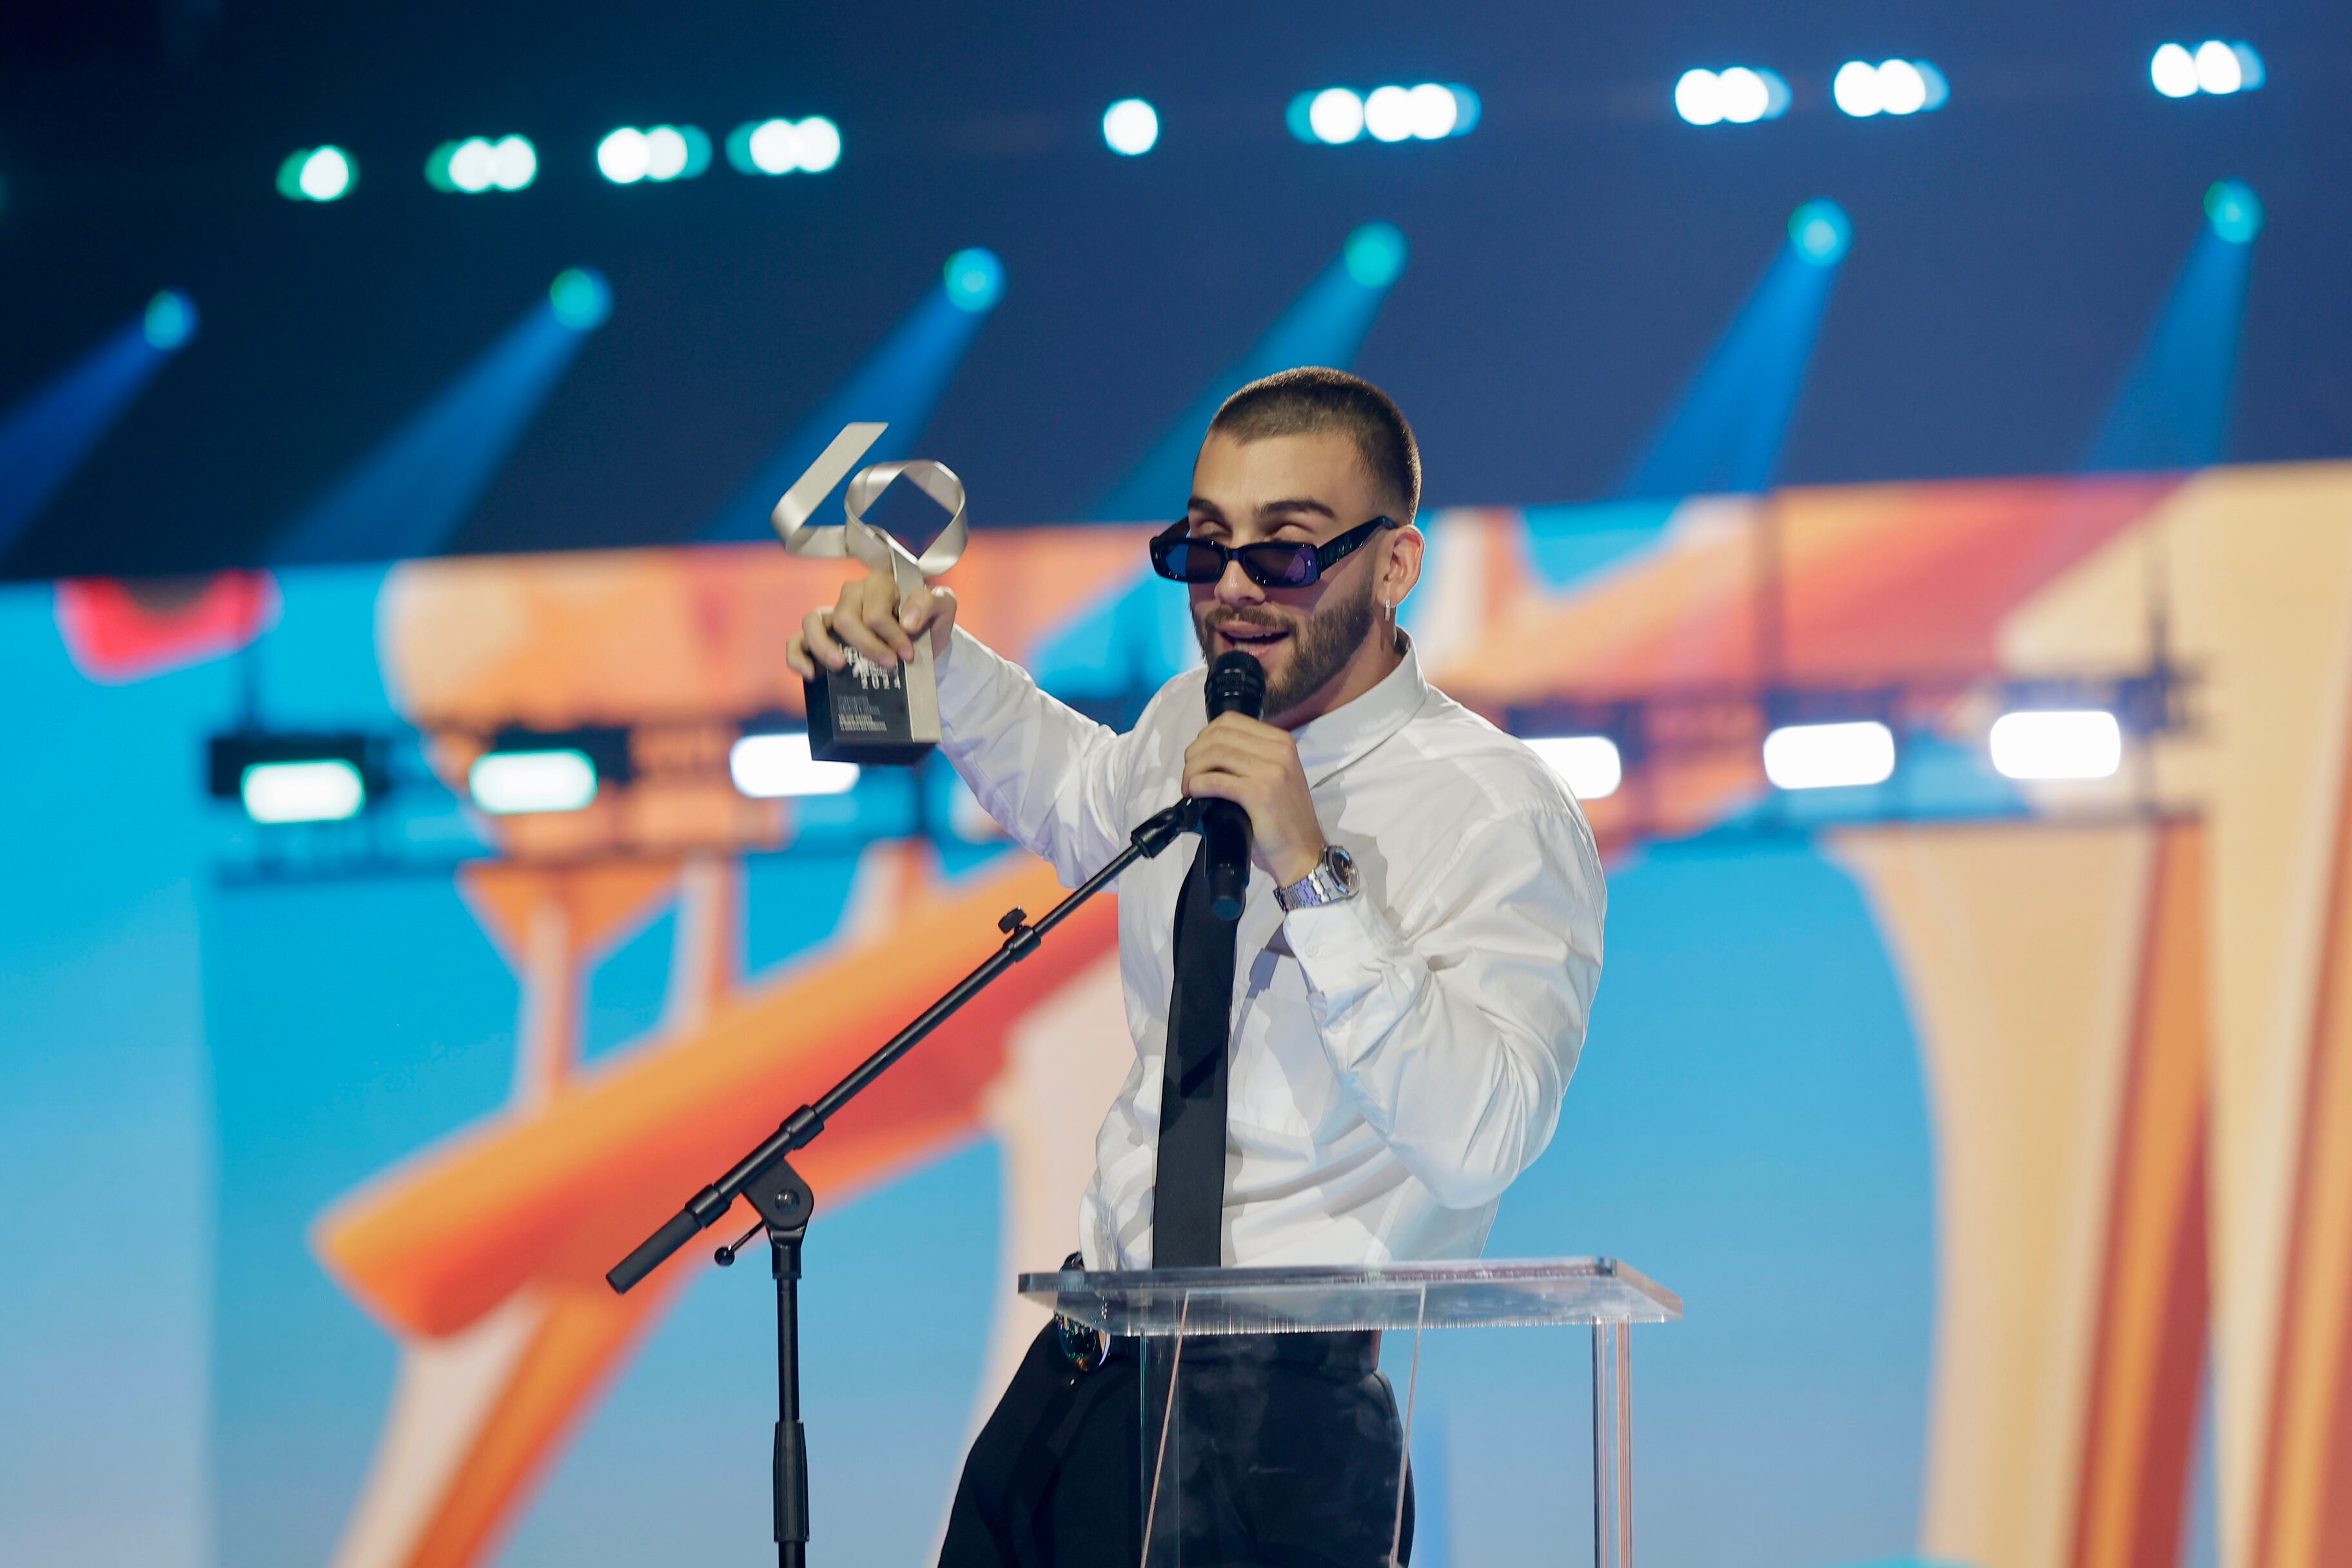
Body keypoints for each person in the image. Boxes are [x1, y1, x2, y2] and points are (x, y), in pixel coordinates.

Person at [787, 367, 1606, 1567]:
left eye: (1285, 552)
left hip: (1280, 1410)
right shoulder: (1192, 720)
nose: (1233, 590)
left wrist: (1313, 871)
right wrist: (937, 659)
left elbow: (1481, 1134)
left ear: (1396, 565)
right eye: (1205, 546)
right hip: (1091, 1350)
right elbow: (1083, 797)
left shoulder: (1494, 812)